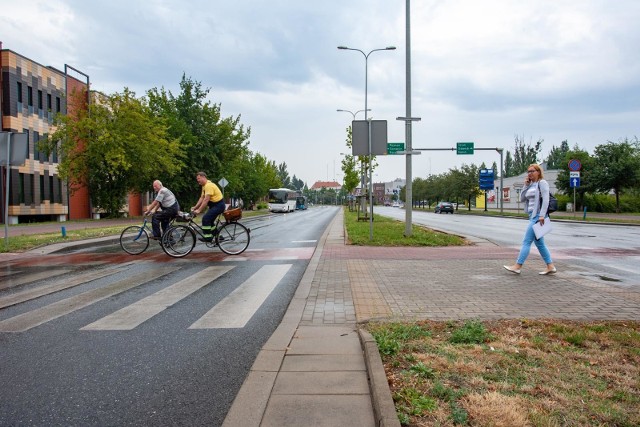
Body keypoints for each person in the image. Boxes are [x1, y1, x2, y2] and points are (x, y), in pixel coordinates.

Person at [504, 163, 557, 275]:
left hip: (538, 217)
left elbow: (546, 200)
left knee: (526, 241)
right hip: (532, 216)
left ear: (538, 172)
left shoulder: (542, 183)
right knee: (540, 244)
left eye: (532, 171)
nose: (530, 173)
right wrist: (525, 185)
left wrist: (542, 215)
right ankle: (550, 266)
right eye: (528, 171)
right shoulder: (531, 185)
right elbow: (522, 198)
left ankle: (518, 266)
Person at [191, 171, 226, 242]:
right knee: (210, 221)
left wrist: (199, 210)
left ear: (204, 177)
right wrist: (195, 207)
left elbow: (206, 200)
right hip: (215, 205)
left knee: (205, 219)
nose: (198, 180)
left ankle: (208, 237)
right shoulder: (204, 186)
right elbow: (202, 198)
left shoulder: (208, 185)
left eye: (199, 178)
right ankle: (219, 236)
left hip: (218, 205)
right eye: (197, 179)